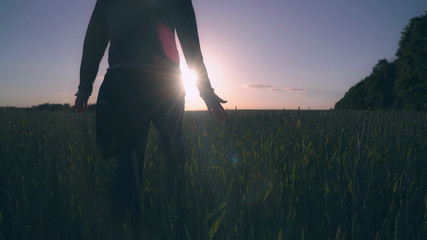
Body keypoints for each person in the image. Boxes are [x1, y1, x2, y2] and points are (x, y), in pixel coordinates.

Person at [74, 0, 227, 239]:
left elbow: (95, 35)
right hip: (159, 83)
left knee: (133, 160)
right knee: (170, 156)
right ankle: (170, 220)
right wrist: (204, 89)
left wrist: (85, 85)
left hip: (133, 82)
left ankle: (131, 226)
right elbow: (189, 37)